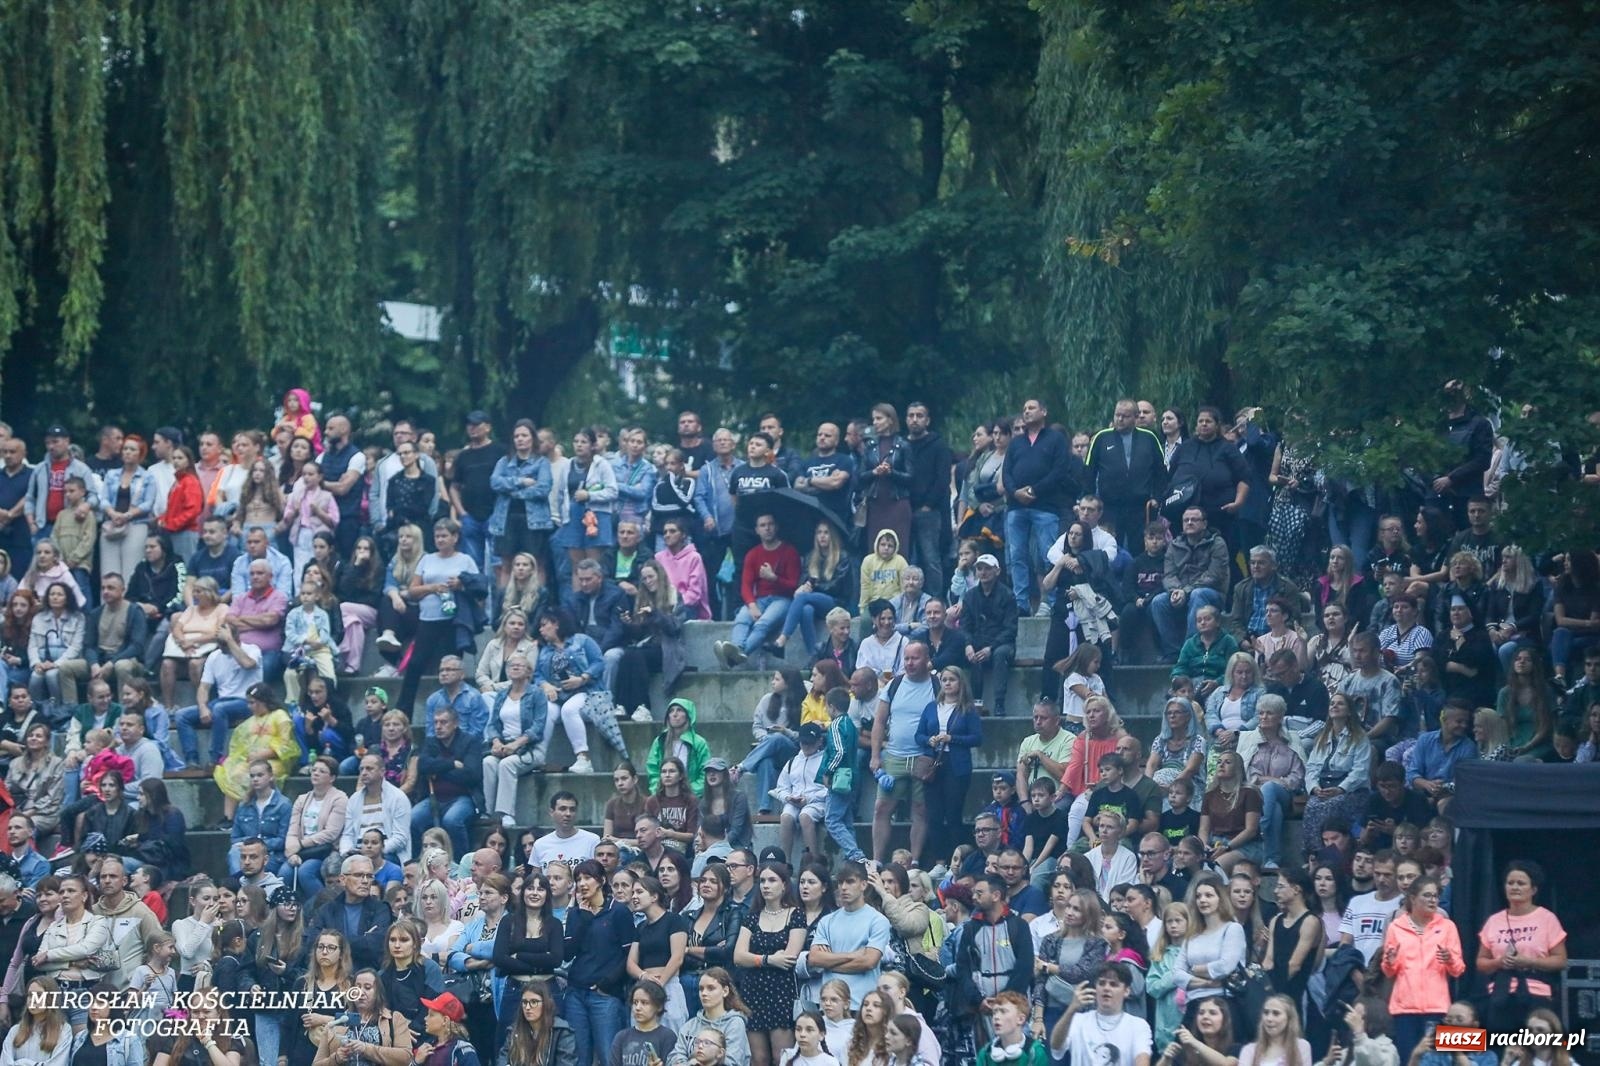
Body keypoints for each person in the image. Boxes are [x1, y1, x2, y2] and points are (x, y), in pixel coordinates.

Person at [1473, 860, 1567, 1033]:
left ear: (1533, 890)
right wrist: (1499, 962)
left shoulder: (1546, 918)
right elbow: (1481, 962)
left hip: (1536, 994)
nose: (1514, 887)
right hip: (1500, 994)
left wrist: (1529, 961)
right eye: (1510, 883)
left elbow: (1561, 961)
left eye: (1521, 883)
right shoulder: (1494, 921)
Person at [1003, 399, 1077, 614]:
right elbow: (1007, 471)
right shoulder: (1016, 442)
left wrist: (1035, 490)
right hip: (1016, 507)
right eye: (1024, 408)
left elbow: (1059, 471)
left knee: (1048, 555)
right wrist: (1015, 492)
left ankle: (1053, 601)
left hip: (1045, 505)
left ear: (1044, 412)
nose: (1026, 411)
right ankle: (1021, 603)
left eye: (1031, 408)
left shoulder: (1055, 439)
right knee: (1017, 555)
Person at [564, 859, 639, 1066]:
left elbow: (629, 954)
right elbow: (567, 954)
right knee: (578, 1057)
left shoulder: (619, 911)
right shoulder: (575, 914)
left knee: (608, 1056)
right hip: (575, 993)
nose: (582, 883)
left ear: (602, 880)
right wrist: (584, 919)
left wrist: (607, 983)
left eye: (587, 877)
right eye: (578, 879)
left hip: (604, 995)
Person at [1379, 876, 1463, 1061]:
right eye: (1427, 895)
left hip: (1438, 1007)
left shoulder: (1447, 926)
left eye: (1435, 895)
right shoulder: (1396, 927)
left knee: (1439, 1060)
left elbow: (1458, 969)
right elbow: (1388, 971)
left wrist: (1449, 959)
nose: (1433, 900)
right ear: (1413, 898)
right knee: (1410, 1059)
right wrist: (1390, 961)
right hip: (1404, 1009)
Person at [869, 641, 936, 862]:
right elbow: (879, 722)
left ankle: (914, 860)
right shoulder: (894, 685)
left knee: (920, 809)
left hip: (923, 757)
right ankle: (877, 859)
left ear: (927, 659)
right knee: (881, 808)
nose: (909, 663)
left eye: (915, 658)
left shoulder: (937, 685)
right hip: (895, 756)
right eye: (906, 658)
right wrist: (875, 755)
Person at [916, 666, 982, 864]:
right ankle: (939, 861)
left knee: (953, 815)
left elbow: (977, 738)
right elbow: (918, 735)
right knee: (934, 816)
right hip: (933, 765)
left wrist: (952, 738)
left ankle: (958, 859)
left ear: (960, 682)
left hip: (957, 766)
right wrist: (929, 740)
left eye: (952, 679)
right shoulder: (930, 707)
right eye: (944, 680)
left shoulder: (968, 709)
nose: (947, 683)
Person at [1301, 694, 1372, 855]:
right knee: (1311, 806)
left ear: (1349, 711)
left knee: (1332, 805)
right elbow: (1311, 768)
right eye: (1332, 703)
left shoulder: (1360, 738)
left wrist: (1341, 789)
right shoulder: (1321, 738)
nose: (1335, 706)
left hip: (1352, 791)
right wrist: (1314, 788)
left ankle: (1333, 853)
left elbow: (1360, 772)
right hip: (1324, 788)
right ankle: (1314, 853)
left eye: (1340, 704)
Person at [411, 706, 484, 859]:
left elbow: (471, 775)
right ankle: (419, 861)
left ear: (455, 723)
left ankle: (459, 862)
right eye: (436, 722)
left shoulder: (470, 742)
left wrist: (438, 770)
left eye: (443, 722)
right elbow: (422, 766)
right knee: (414, 817)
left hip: (463, 797)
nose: (438, 727)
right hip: (433, 797)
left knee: (452, 820)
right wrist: (452, 764)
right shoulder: (431, 743)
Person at [1049, 962, 1154, 1066]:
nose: (1106, 988)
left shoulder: (1138, 1026)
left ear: (1126, 991)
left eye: (1113, 984)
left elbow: (1142, 1060)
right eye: (1101, 983)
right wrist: (1071, 1009)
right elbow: (1056, 1047)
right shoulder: (1077, 1021)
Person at [958, 554, 1018, 716]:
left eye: (987, 568)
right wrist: (968, 644)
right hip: (977, 642)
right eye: (979, 568)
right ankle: (975, 703)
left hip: (1001, 645)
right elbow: (964, 626)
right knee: (972, 655)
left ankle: (999, 703)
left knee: (1000, 654)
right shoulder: (970, 596)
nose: (983, 572)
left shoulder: (1007, 595)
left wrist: (990, 648)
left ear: (997, 571)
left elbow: (1011, 629)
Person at [283, 756, 348, 901]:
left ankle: (324, 906)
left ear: (332, 778)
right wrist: (290, 852)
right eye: (314, 770)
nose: (316, 773)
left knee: (306, 872)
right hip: (299, 851)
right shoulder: (301, 799)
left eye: (322, 771)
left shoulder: (340, 799)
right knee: (284, 872)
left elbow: (331, 833)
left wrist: (300, 845)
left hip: (323, 851)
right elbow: (292, 830)